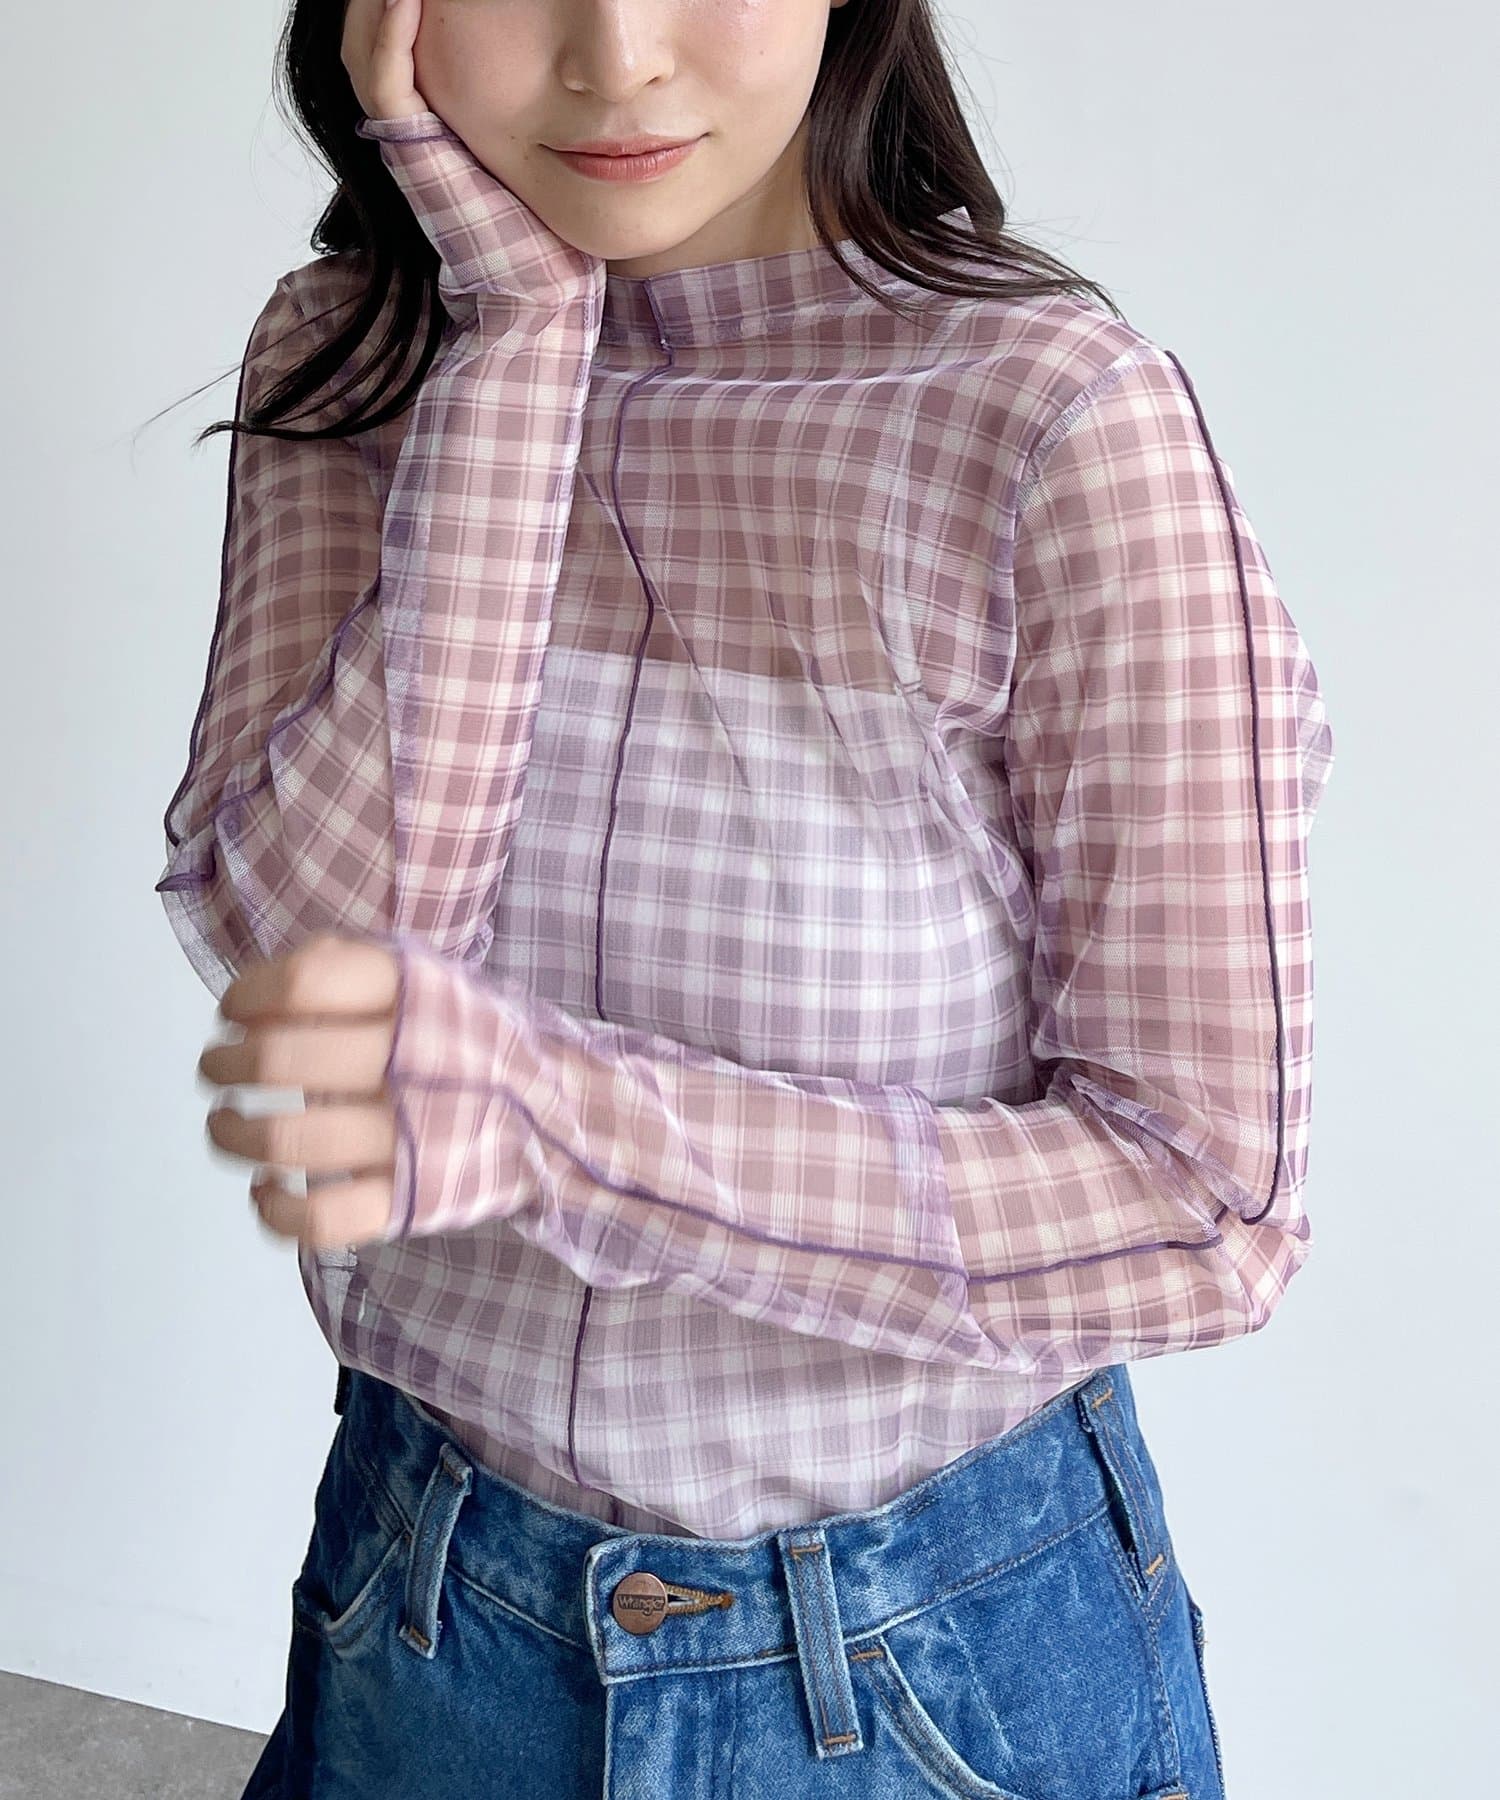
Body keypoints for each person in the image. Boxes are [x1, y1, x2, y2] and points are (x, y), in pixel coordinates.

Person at [155, 0, 1334, 1793]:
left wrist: (570, 1128)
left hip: (925, 1662)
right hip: (426, 1588)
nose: (616, 53)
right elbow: (307, 962)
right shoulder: (356, 353)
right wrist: (514, 351)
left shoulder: (1053, 422)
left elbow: (1204, 1204)